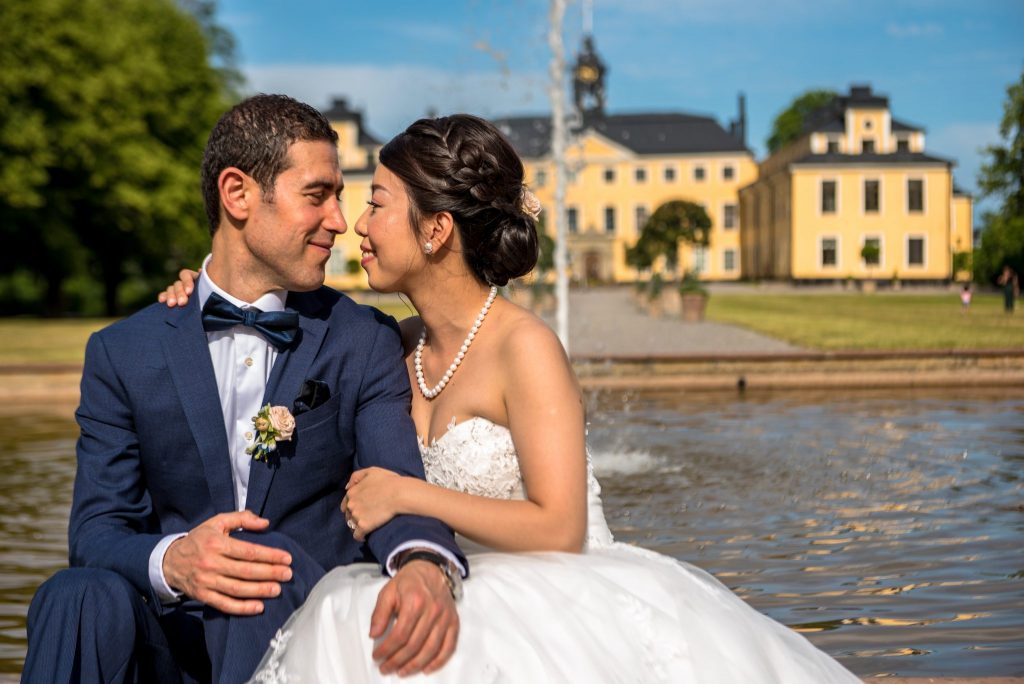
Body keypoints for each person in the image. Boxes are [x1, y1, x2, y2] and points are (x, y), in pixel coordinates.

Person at [162, 114, 859, 682]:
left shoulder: (525, 346)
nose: (354, 225)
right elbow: (271, 318)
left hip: (555, 594)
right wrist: (197, 298)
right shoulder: (386, 345)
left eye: (375, 203)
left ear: (436, 230)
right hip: (431, 578)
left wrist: (410, 497)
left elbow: (560, 527)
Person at [23, 95, 465, 684]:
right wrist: (174, 560)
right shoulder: (122, 352)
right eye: (318, 195)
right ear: (238, 195)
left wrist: (420, 563)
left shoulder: (360, 338)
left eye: (340, 197)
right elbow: (97, 533)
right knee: (75, 594)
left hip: (294, 619)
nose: (339, 220)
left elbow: (397, 482)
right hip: (165, 636)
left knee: (262, 570)